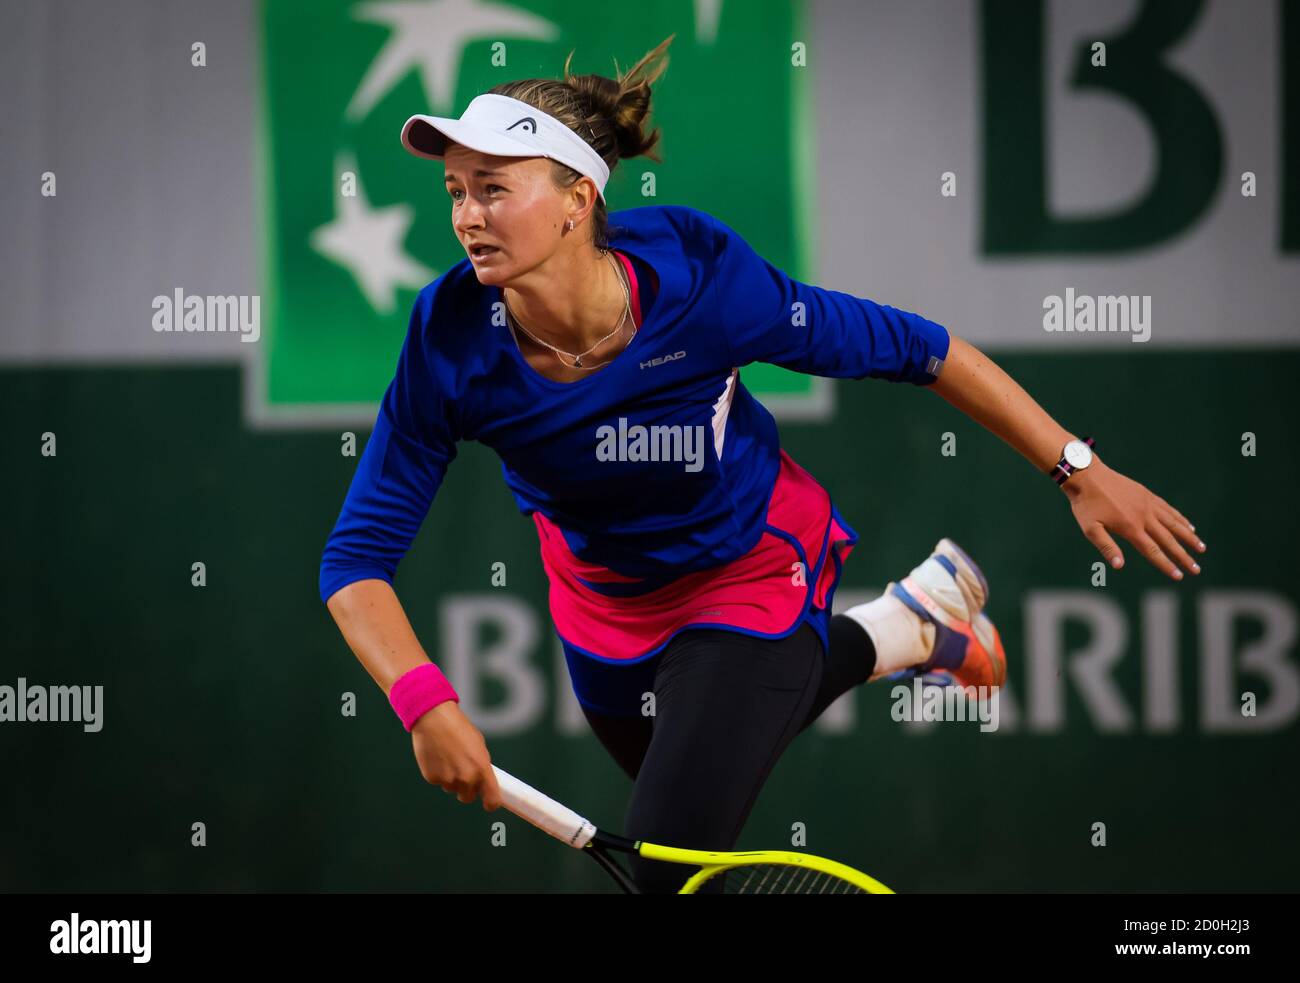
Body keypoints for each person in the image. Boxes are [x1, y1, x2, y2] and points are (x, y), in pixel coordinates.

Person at [319, 36, 1206, 893]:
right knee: (717, 753)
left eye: (494, 189)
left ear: (577, 200)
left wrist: (1077, 467)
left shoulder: (701, 282)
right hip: (602, 610)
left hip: (746, 569)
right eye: (455, 191)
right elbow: (356, 561)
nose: (468, 216)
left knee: (671, 865)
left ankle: (895, 627)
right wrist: (424, 700)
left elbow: (920, 348)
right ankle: (907, 624)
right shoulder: (449, 337)